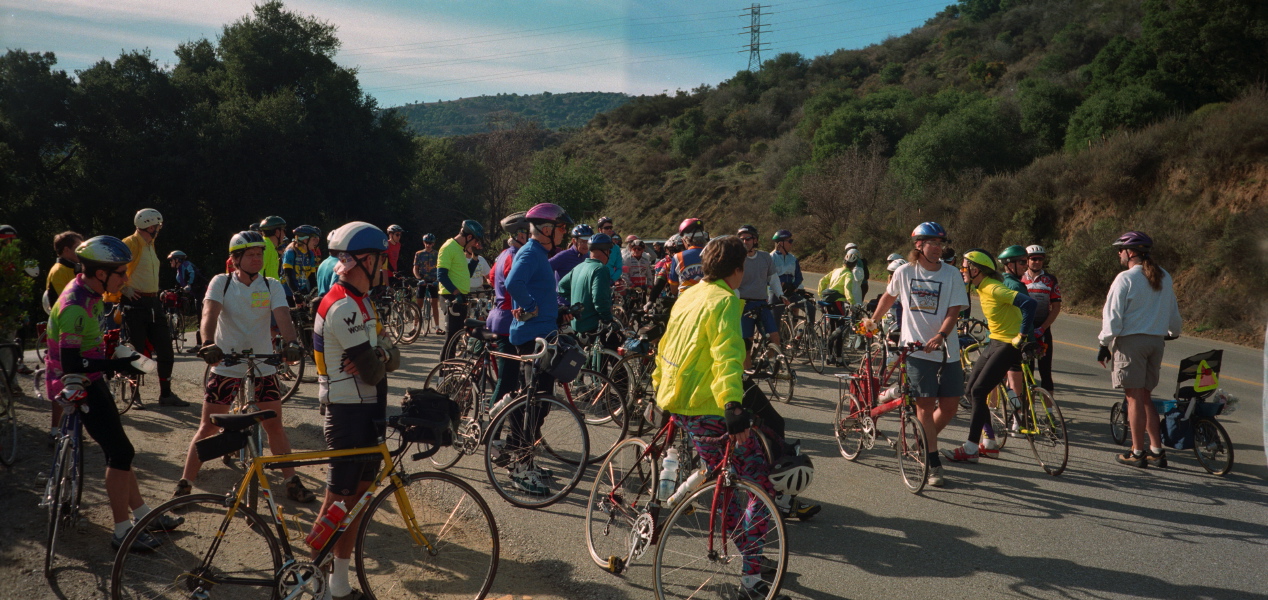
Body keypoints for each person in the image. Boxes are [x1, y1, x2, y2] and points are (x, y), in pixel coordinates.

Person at [653, 235, 789, 600]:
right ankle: (751, 579)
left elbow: (666, 346)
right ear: (737, 269)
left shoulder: (689, 295)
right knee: (758, 484)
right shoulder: (727, 300)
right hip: (709, 406)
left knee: (725, 481)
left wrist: (659, 389)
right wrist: (732, 406)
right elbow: (727, 354)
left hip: (678, 401)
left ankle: (751, 556)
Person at [46, 235, 184, 550]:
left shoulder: (93, 293)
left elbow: (90, 347)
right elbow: (72, 363)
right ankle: (122, 531)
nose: (125, 278)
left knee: (119, 450)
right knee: (120, 453)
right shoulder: (76, 305)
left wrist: (119, 355)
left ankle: (144, 514)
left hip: (89, 376)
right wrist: (117, 365)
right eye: (121, 273)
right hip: (76, 381)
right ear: (100, 273)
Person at [178, 231, 315, 502]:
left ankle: (291, 481)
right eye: (251, 254)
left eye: (260, 254)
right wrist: (207, 343)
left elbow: (283, 316)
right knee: (208, 426)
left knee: (274, 425)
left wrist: (290, 342)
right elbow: (209, 313)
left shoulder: (271, 284)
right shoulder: (222, 283)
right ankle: (185, 482)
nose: (257, 259)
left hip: (264, 363)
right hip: (227, 361)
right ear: (236, 258)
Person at [312, 221, 399, 600]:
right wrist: (380, 355)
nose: (384, 266)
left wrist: (380, 352)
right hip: (348, 414)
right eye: (380, 259)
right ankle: (310, 582)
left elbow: (389, 353)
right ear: (364, 259)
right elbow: (376, 368)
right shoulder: (342, 304)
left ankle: (339, 585)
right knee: (338, 505)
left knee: (357, 503)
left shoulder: (364, 301)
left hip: (368, 410)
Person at [863, 222, 969, 488]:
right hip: (916, 350)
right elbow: (889, 297)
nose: (938, 248)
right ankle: (932, 461)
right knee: (924, 405)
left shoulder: (952, 274)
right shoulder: (904, 272)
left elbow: (954, 310)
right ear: (918, 245)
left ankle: (921, 439)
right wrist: (873, 320)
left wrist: (942, 335)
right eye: (932, 243)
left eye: (941, 243)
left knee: (949, 407)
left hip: (947, 351)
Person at [503, 203, 572, 495]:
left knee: (538, 401)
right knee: (534, 402)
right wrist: (530, 307)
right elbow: (512, 282)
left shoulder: (541, 255)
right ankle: (520, 464)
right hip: (533, 338)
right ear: (546, 230)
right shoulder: (531, 253)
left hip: (542, 334)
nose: (564, 233)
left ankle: (522, 458)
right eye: (560, 228)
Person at [942, 250, 1036, 465]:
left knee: (979, 390)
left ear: (976, 270)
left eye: (965, 267)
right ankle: (990, 444)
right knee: (970, 389)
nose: (962, 270)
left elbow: (1028, 304)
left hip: (1008, 344)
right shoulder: (981, 287)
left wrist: (1021, 335)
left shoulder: (993, 288)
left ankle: (971, 448)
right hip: (995, 341)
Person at [1098, 231, 1182, 468]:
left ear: (1131, 252)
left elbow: (1113, 318)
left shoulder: (1125, 279)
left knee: (1133, 398)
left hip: (1132, 343)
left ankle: (1137, 452)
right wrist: (1172, 332)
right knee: (1146, 396)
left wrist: (1104, 343)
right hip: (1156, 341)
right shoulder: (1164, 276)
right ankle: (1156, 450)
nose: (1119, 254)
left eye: (1121, 250)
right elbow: (1173, 314)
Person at [113, 208, 188, 407]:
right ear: (151, 226)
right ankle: (134, 394)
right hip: (134, 303)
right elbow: (112, 267)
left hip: (153, 303)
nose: (160, 229)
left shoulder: (149, 244)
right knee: (136, 351)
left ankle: (166, 394)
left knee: (165, 350)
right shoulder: (130, 243)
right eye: (158, 226)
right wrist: (123, 288)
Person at [487, 212, 530, 405]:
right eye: (527, 233)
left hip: (496, 315)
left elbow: (490, 278)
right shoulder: (515, 256)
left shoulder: (502, 254)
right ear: (520, 235)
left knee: (510, 377)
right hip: (507, 321)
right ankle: (490, 427)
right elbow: (517, 285)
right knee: (507, 380)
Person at [735, 225, 783, 368]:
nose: (744, 241)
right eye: (741, 239)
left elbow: (773, 278)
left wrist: (781, 295)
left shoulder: (765, 257)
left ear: (755, 240)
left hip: (762, 304)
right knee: (747, 342)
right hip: (743, 305)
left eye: (748, 238)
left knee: (774, 336)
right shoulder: (737, 259)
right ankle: (747, 374)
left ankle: (769, 362)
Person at [1022, 244, 1062, 394]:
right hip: (1026, 331)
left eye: (1040, 259)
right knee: (1027, 373)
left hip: (1043, 332)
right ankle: (1027, 412)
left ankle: (1049, 414)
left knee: (1046, 373)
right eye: (1033, 259)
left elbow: (1056, 308)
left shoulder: (1050, 279)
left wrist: (1043, 328)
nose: (1037, 262)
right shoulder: (1020, 278)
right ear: (1027, 260)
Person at [436, 220, 485, 341]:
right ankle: (445, 361)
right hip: (450, 296)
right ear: (469, 236)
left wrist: (475, 256)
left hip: (460, 296)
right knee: (451, 338)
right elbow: (441, 276)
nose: (475, 244)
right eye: (475, 241)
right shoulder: (448, 247)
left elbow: (466, 274)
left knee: (457, 337)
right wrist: (456, 293)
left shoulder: (459, 249)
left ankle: (452, 360)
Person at [558, 233, 615, 336]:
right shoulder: (600, 269)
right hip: (593, 327)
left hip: (577, 325)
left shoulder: (579, 267)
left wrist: (578, 301)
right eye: (609, 251)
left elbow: (561, 287)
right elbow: (599, 298)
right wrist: (608, 319)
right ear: (606, 251)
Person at [818, 248, 863, 363]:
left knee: (832, 329)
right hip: (838, 302)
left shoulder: (836, 270)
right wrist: (852, 303)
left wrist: (820, 294)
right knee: (840, 329)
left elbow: (822, 281)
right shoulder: (849, 274)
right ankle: (838, 358)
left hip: (828, 302)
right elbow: (847, 289)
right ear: (854, 264)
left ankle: (829, 356)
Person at [167, 250, 206, 349]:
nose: (170, 262)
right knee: (198, 315)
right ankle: (199, 343)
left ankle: (202, 344)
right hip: (195, 293)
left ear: (177, 259)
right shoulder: (179, 269)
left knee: (201, 315)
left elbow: (192, 274)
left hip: (202, 292)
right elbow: (180, 282)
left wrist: (189, 284)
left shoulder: (186, 265)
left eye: (171, 260)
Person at [668, 218, 709, 293]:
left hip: (685, 301)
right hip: (707, 300)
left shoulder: (678, 257)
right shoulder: (713, 254)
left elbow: (673, 289)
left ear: (685, 240)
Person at [46, 231, 84, 307]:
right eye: (78, 247)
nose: (81, 251)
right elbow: (67, 301)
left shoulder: (76, 268)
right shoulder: (58, 270)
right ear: (66, 250)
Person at [282, 225, 321, 298]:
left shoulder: (310, 254)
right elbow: (288, 275)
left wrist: (315, 292)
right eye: (313, 239)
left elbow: (311, 277)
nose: (315, 242)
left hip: (303, 291)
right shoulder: (291, 252)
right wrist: (295, 293)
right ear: (305, 240)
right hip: (288, 293)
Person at [412, 233, 440, 333]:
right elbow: (415, 268)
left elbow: (440, 268)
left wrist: (437, 280)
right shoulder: (419, 254)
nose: (428, 245)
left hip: (433, 280)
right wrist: (419, 278)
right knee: (418, 304)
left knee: (434, 303)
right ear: (424, 242)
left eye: (430, 243)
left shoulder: (437, 254)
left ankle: (437, 327)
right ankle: (414, 327)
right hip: (422, 280)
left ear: (433, 244)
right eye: (426, 243)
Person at [770, 229, 803, 297]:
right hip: (775, 293)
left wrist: (793, 287)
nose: (791, 244)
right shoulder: (770, 258)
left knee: (810, 307)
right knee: (776, 307)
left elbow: (799, 277)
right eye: (790, 241)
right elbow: (764, 278)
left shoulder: (793, 258)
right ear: (781, 243)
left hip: (790, 292)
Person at [258, 216, 288, 284]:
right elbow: (257, 274)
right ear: (277, 232)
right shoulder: (265, 247)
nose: (284, 234)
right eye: (284, 230)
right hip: (265, 292)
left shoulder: (270, 246)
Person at [596, 216, 623, 283]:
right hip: (595, 279)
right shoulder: (592, 246)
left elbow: (619, 268)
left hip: (610, 280)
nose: (609, 230)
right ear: (599, 230)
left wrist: (612, 279)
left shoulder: (616, 248)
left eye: (610, 228)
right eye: (606, 228)